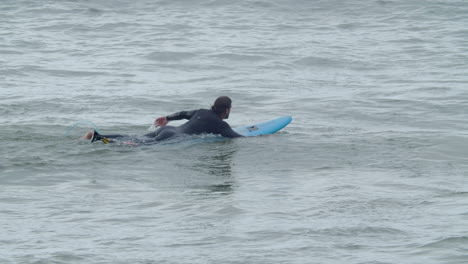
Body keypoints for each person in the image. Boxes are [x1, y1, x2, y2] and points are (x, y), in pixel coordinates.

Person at [82, 96, 243, 144]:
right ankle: (105, 141)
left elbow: (183, 113)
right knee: (138, 144)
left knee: (137, 137)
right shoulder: (220, 124)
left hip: (168, 130)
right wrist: (264, 137)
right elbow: (237, 138)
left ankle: (96, 136)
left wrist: (167, 118)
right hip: (173, 136)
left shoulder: (201, 111)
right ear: (227, 109)